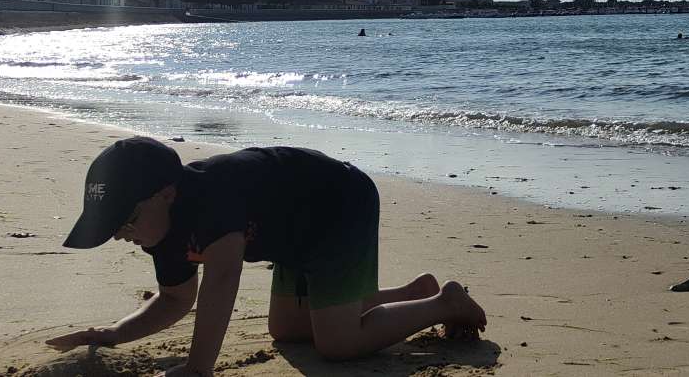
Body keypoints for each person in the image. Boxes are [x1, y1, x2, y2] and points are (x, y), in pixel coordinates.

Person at [47, 137, 486, 372]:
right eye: (114, 228)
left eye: (125, 222)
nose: (121, 236)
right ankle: (412, 294)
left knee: (337, 344)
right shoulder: (159, 229)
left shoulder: (211, 201)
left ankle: (444, 303)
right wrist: (113, 333)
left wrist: (198, 368)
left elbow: (222, 281)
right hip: (291, 235)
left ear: (165, 194)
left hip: (337, 206)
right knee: (287, 330)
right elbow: (175, 299)